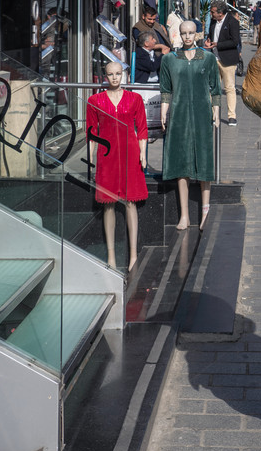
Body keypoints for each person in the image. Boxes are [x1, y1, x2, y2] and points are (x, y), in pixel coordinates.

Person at [160, 21, 222, 230]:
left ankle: (205, 211)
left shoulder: (208, 58)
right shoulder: (170, 59)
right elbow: (166, 89)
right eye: (184, 33)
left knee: (204, 161)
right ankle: (184, 215)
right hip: (178, 115)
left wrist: (216, 110)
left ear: (196, 34)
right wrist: (163, 111)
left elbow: (215, 88)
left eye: (191, 33)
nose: (187, 37)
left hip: (202, 113)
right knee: (181, 162)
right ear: (179, 34)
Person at [87, 61, 148, 270]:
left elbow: (142, 129)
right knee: (109, 204)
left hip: (131, 153)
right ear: (105, 76)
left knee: (131, 202)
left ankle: (133, 254)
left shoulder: (135, 99)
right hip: (107, 156)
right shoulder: (95, 100)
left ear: (123, 75)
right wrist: (90, 156)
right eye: (111, 74)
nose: (114, 78)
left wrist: (143, 154)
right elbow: (91, 132)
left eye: (118, 74)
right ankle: (111, 256)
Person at [206, 1, 242, 126]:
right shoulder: (213, 21)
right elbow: (211, 35)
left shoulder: (233, 22)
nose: (211, 14)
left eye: (213, 12)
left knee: (229, 88)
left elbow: (235, 41)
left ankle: (232, 116)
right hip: (214, 58)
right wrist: (209, 42)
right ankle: (211, 113)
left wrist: (218, 45)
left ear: (220, 13)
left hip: (227, 60)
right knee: (212, 87)